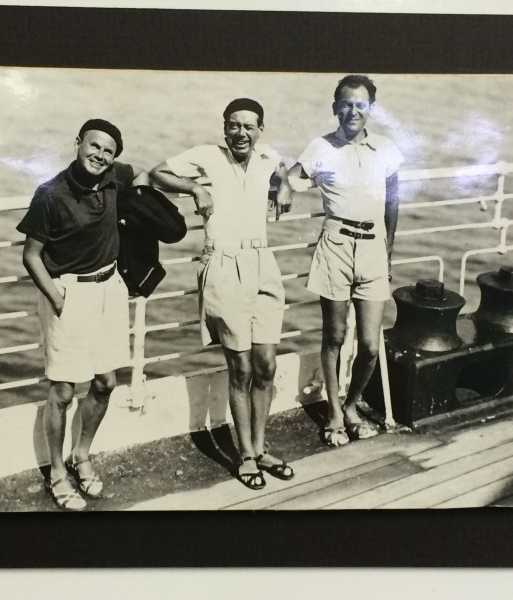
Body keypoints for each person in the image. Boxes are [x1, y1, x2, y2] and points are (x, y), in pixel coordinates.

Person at [149, 98, 294, 490]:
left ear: (260, 129)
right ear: (224, 127)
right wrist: (195, 187)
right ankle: (245, 455)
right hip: (224, 263)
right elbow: (156, 173)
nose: (240, 133)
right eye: (233, 125)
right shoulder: (207, 156)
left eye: (248, 126)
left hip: (263, 262)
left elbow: (282, 163)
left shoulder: (266, 155)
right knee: (241, 367)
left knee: (266, 365)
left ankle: (260, 448)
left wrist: (283, 183)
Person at [17, 118, 148, 511]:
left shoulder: (115, 176)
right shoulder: (51, 193)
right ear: (78, 143)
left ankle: (82, 455)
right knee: (62, 390)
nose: (100, 155)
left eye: (108, 151)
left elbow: (147, 174)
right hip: (69, 293)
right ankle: (57, 471)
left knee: (105, 382)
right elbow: (31, 255)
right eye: (94, 146)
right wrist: (58, 298)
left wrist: (192, 189)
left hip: (110, 288)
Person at [290, 75, 403, 446]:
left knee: (370, 345)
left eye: (361, 104)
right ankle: (335, 413)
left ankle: (353, 405)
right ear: (335, 107)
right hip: (336, 244)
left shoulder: (385, 148)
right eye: (346, 104)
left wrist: (388, 249)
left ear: (371, 108)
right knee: (335, 336)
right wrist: (282, 185)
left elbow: (392, 200)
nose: (353, 111)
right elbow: (290, 177)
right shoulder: (320, 147)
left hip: (373, 248)